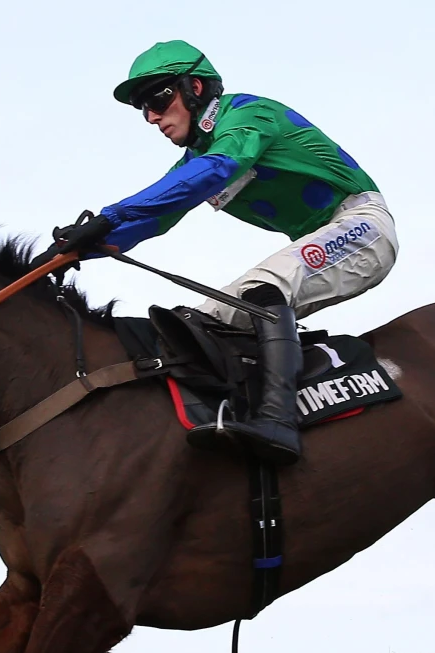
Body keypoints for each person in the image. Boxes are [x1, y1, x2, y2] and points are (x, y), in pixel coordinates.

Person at [39, 41, 395, 465]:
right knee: (206, 321)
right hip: (320, 238)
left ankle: (278, 422)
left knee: (262, 289)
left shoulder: (249, 114)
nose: (151, 117)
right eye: (143, 109)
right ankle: (247, 411)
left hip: (362, 225)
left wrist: (109, 215)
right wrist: (73, 251)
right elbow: (156, 218)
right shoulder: (198, 157)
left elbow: (213, 171)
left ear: (195, 88)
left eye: (157, 99)